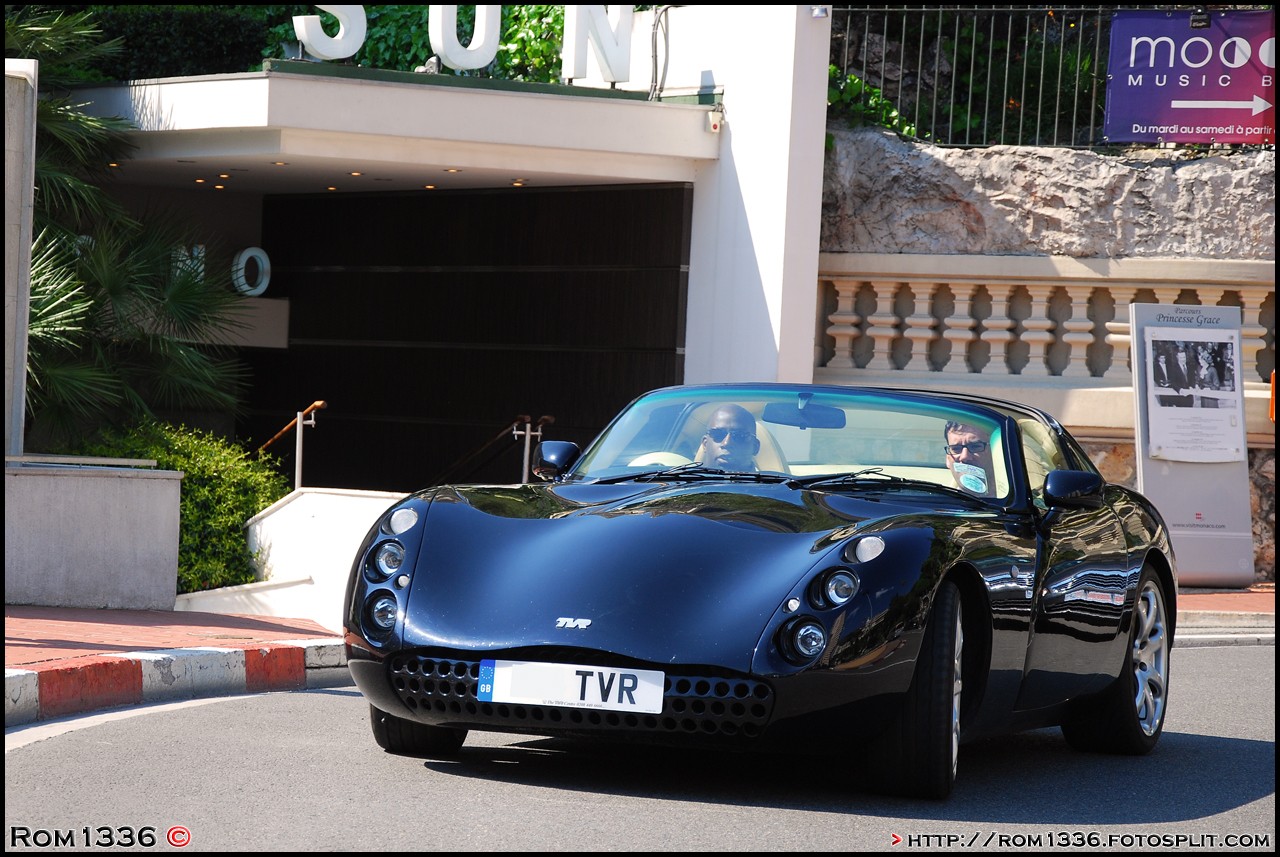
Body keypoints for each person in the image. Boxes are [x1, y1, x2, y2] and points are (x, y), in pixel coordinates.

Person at [700, 404, 759, 471]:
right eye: (718, 434)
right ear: (705, 444)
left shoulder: (771, 481)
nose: (727, 443)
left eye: (740, 436)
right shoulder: (686, 480)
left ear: (755, 447)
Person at [943, 420, 993, 495]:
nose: (964, 457)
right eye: (956, 449)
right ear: (947, 459)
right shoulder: (939, 502)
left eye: (975, 447)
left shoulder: (1013, 500)